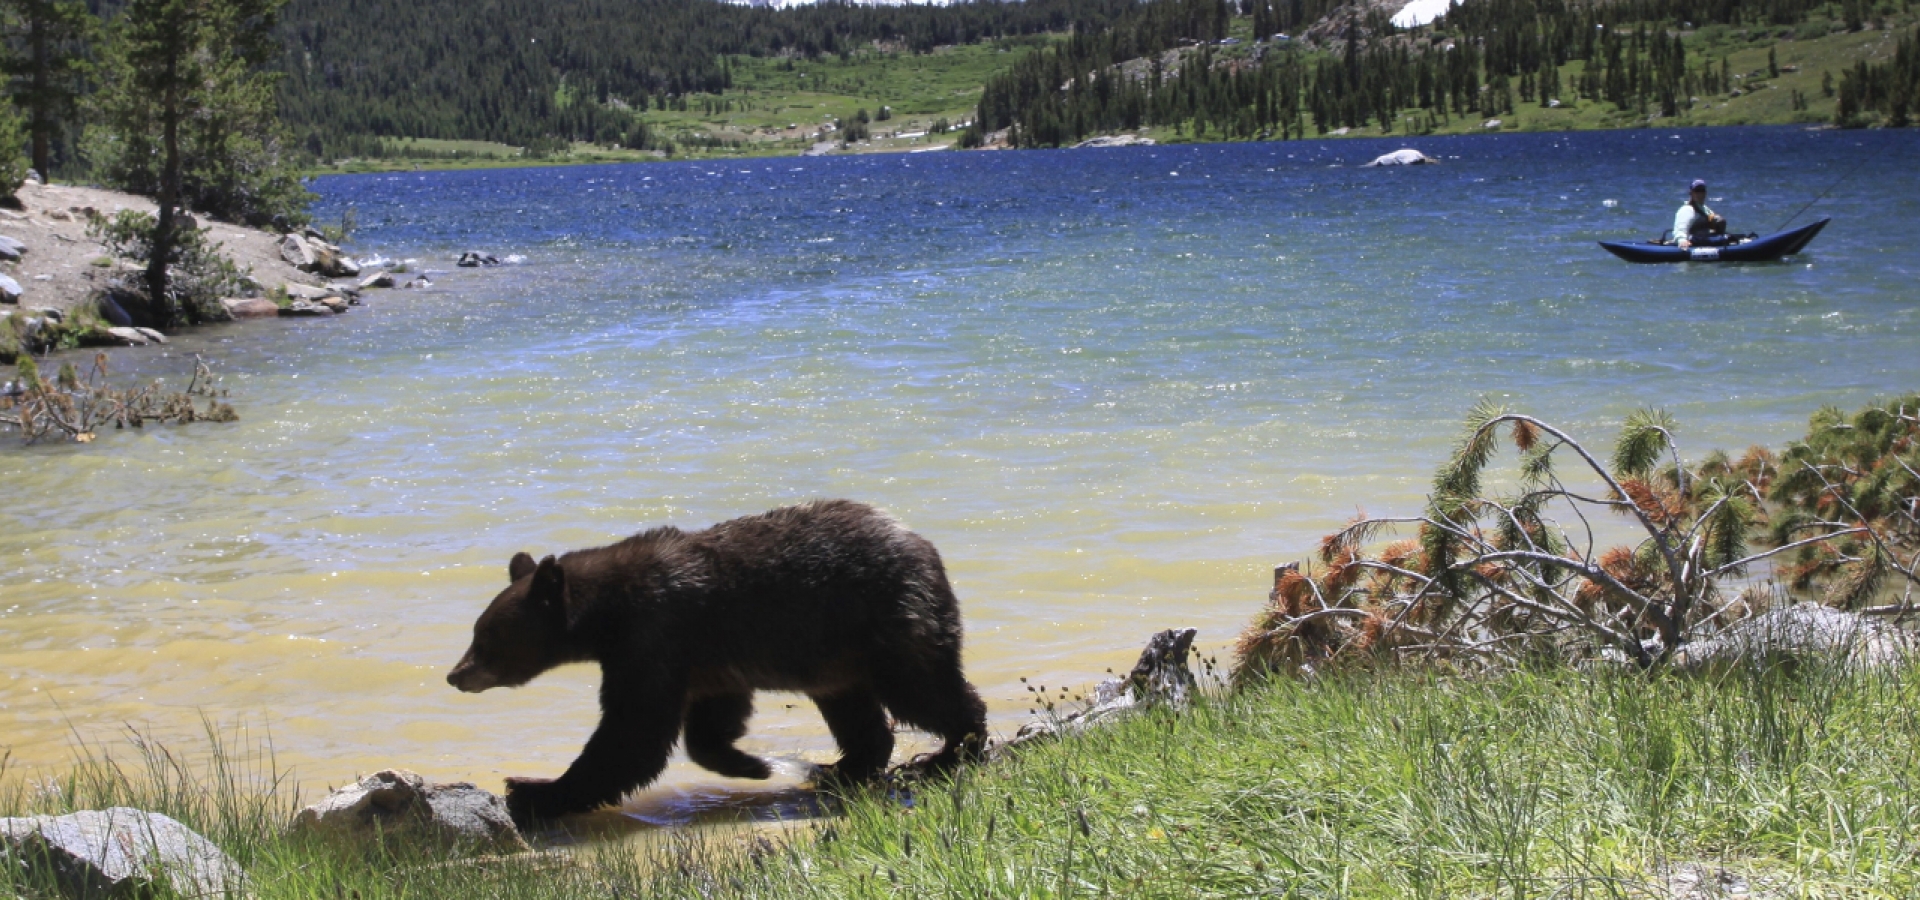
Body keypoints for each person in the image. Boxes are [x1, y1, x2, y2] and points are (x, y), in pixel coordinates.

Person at [1673, 179, 1726, 248]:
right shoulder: (1687, 210)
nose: (1700, 194)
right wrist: (1682, 240)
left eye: (1702, 191)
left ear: (1705, 193)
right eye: (1697, 191)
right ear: (1691, 193)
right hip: (1693, 243)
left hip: (1706, 241)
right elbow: (1680, 229)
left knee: (1719, 220)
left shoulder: (1705, 209)